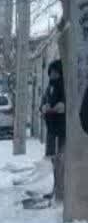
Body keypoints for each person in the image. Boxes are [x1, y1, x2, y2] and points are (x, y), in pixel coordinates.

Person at [41, 60, 67, 199]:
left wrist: (62, 107)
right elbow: (43, 101)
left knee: (61, 160)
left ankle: (60, 191)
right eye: (51, 73)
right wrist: (44, 107)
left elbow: (69, 105)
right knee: (54, 160)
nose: (53, 76)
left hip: (63, 130)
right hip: (52, 129)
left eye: (55, 73)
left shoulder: (65, 87)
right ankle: (56, 189)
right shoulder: (49, 88)